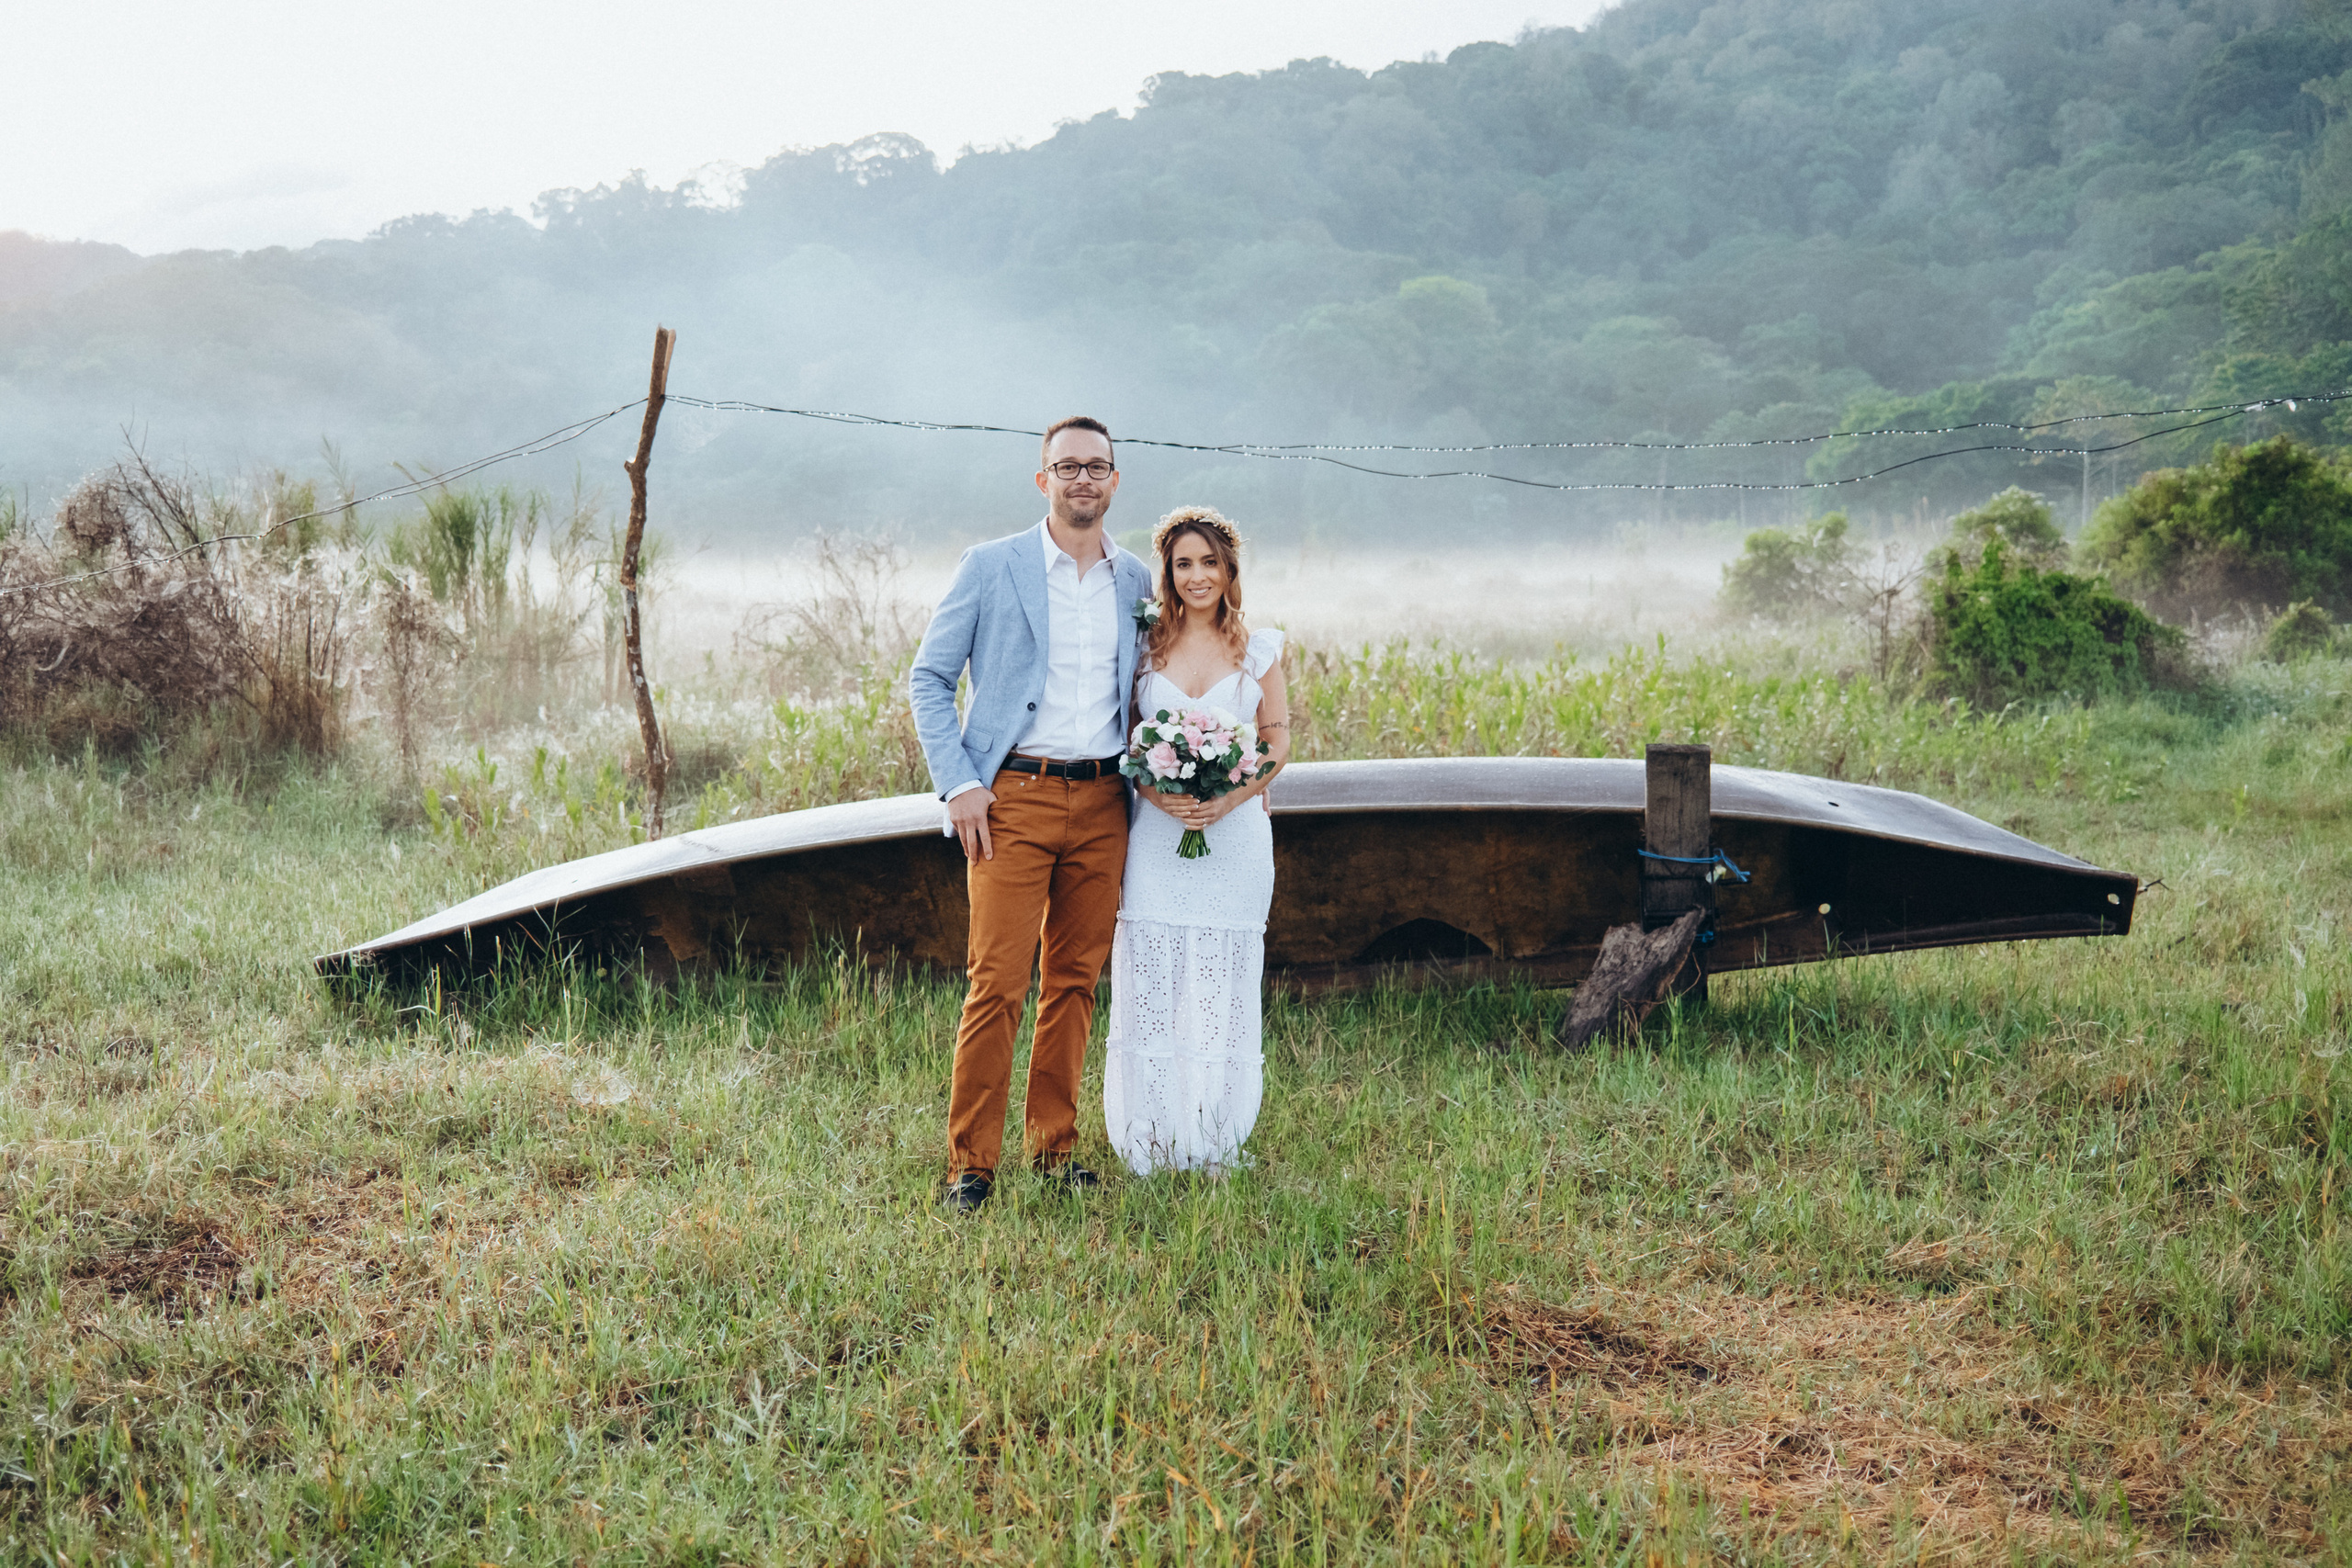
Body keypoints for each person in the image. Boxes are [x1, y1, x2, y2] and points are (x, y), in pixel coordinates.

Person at [909, 415, 1156, 1213]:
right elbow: (930, 679)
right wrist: (959, 784)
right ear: (1042, 478)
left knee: (1076, 980)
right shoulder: (992, 566)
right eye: (1067, 466)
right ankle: (970, 1166)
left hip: (1103, 801)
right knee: (998, 982)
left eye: (1097, 466)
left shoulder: (1136, 581)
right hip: (1009, 798)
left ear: (1115, 481)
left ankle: (1054, 1149)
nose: (1082, 478)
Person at [1103, 506, 1290, 1176]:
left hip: (1235, 838)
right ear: (1168, 571)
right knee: (1154, 973)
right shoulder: (1144, 643)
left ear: (1229, 568)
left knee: (1222, 980)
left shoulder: (1259, 648)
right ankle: (1153, 1134)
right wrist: (1160, 794)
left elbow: (1276, 739)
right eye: (1184, 563)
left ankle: (1213, 1133)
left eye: (1209, 562)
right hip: (1156, 836)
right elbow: (1123, 737)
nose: (1197, 575)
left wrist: (1229, 797)